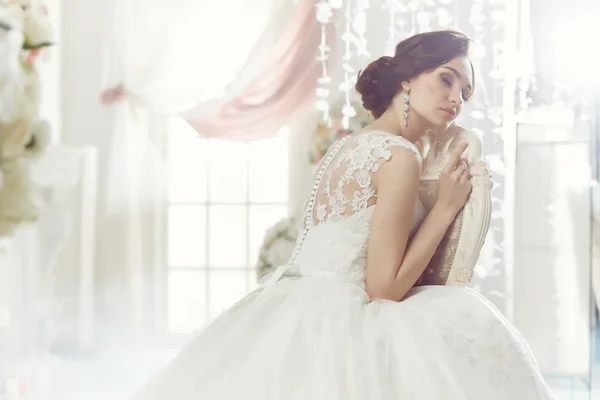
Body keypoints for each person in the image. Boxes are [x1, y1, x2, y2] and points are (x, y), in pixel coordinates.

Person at [131, 30, 553, 399]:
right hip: (344, 318)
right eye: (447, 78)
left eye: (465, 91)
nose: (456, 98)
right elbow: (383, 287)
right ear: (407, 78)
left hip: (289, 304)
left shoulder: (346, 147)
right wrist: (444, 208)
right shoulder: (400, 156)